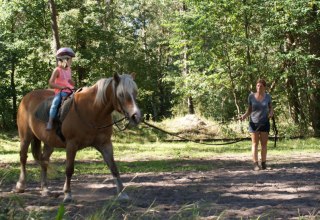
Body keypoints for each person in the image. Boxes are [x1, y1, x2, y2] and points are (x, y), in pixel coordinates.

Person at [240, 79, 274, 171]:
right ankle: (255, 164)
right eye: (257, 86)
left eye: (261, 86)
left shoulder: (268, 97)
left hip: (264, 122)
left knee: (264, 144)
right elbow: (249, 110)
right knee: (255, 144)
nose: (259, 87)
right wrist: (244, 116)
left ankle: (263, 164)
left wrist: (271, 113)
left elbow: (271, 108)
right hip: (253, 123)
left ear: (264, 87)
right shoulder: (251, 96)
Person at [46, 47, 75, 130]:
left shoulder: (69, 69)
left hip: (70, 90)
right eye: (70, 59)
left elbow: (68, 80)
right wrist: (61, 87)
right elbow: (51, 83)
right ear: (63, 60)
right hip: (60, 91)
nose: (71, 62)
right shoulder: (57, 70)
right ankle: (50, 122)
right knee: (55, 103)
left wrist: (72, 82)